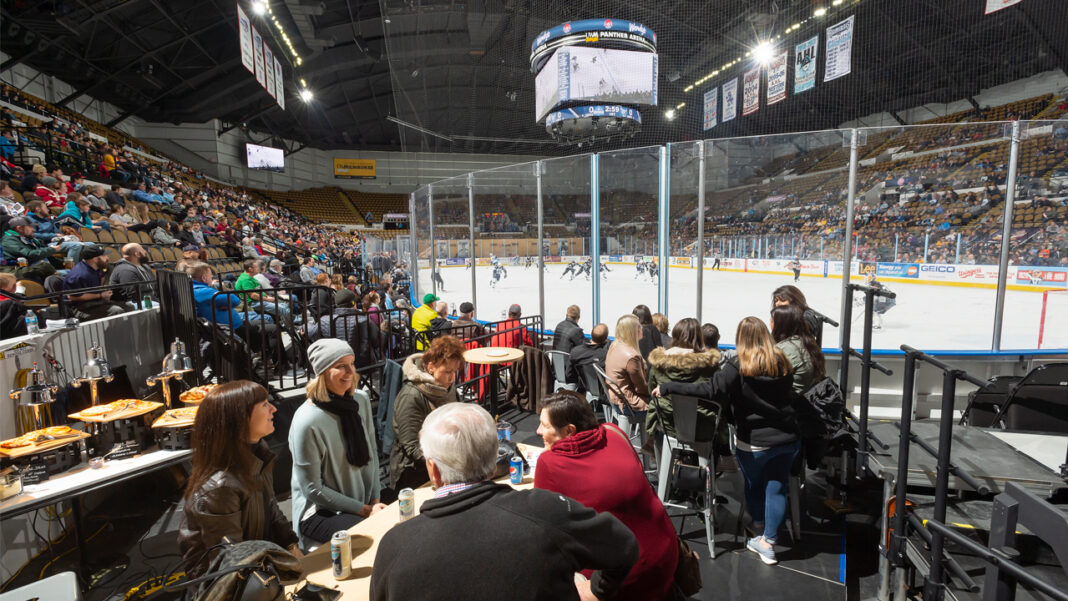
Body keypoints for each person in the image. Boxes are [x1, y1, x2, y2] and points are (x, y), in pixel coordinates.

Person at [371, 403, 639, 601]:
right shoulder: (547, 511)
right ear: (492, 462)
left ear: (433, 471)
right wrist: (594, 591)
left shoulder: (394, 546)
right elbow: (624, 545)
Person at [653, 317, 797, 565]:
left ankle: (759, 527)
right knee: (777, 488)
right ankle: (768, 541)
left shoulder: (739, 365)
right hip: (788, 438)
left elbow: (709, 390)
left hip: (755, 441)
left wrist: (669, 387)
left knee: (753, 486)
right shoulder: (782, 362)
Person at [535, 392, 677, 601]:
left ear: (569, 431)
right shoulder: (614, 432)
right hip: (665, 554)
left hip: (623, 577)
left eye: (544, 426)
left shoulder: (550, 463)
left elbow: (541, 525)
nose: (538, 431)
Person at [178, 381, 302, 577]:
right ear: (239, 419)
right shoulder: (219, 488)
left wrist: (291, 544)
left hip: (262, 567)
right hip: (236, 585)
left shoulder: (259, 453)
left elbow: (270, 506)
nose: (273, 408)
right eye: (264, 405)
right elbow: (229, 561)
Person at [289, 339, 385, 548]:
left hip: (362, 499)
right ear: (322, 372)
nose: (350, 372)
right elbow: (313, 489)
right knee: (371, 538)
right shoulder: (307, 421)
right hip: (319, 511)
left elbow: (372, 452)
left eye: (352, 364)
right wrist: (365, 510)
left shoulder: (360, 400)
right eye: (341, 366)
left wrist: (375, 499)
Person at [389, 334, 465, 490]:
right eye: (447, 372)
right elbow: (411, 447)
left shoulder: (447, 388)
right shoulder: (411, 396)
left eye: (455, 371)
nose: (452, 377)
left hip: (447, 466)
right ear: (431, 367)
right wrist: (446, 464)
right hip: (414, 473)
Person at [645, 317, 722, 443]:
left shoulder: (659, 363)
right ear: (699, 338)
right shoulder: (711, 366)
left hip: (668, 424)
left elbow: (651, 390)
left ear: (674, 336)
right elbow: (718, 394)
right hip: (702, 426)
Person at [604, 314, 650, 452]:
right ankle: (654, 448)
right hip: (628, 403)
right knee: (664, 408)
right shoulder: (632, 356)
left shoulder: (614, 345)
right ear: (633, 331)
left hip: (615, 398)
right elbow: (641, 388)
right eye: (639, 328)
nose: (642, 330)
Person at [62, 245, 128, 320]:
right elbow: (72, 297)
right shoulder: (78, 274)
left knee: (129, 306)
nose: (107, 258)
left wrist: (105, 294)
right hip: (80, 308)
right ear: (95, 259)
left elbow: (101, 284)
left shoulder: (98, 268)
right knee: (116, 311)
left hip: (96, 303)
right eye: (104, 256)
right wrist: (100, 295)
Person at [569, 323, 611, 389]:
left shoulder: (575, 351)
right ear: (605, 339)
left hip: (583, 389)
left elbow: (569, 374)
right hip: (602, 391)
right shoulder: (606, 356)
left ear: (591, 334)